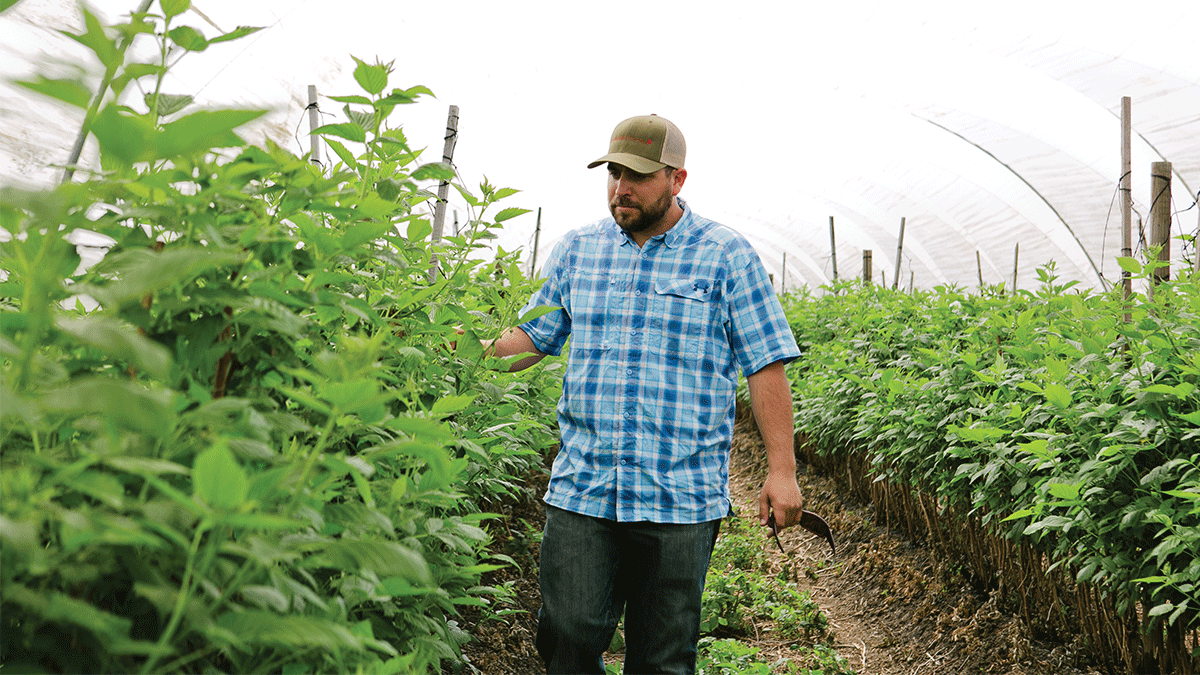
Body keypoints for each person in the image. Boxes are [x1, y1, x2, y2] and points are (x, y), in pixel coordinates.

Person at [486, 114, 804, 675]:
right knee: (566, 639)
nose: (621, 188)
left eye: (637, 175)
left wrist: (782, 471)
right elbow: (534, 336)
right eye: (613, 173)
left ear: (677, 180)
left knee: (662, 658)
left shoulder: (725, 255)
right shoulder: (578, 250)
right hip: (584, 488)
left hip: (678, 493)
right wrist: (464, 350)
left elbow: (765, 363)